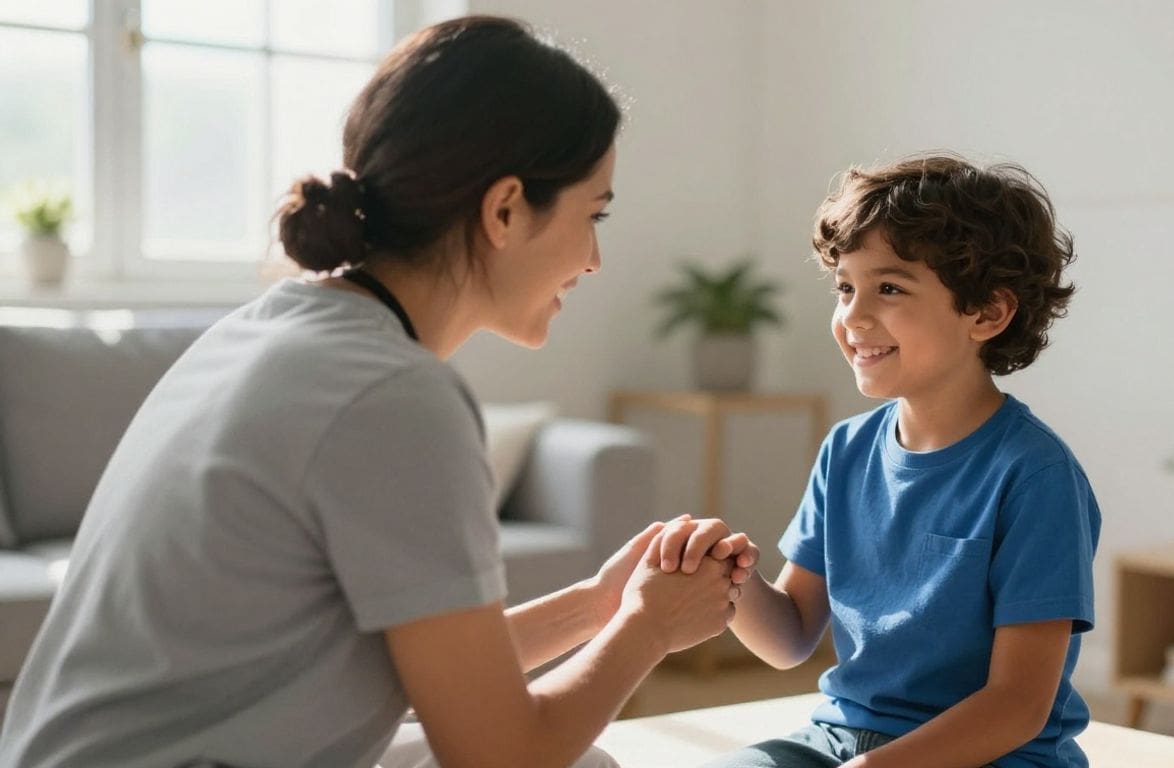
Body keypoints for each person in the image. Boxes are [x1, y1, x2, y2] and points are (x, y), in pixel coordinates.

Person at [0, 16, 757, 768]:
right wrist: (650, 629)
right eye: (592, 216)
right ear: (504, 209)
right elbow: (499, 756)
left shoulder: (272, 329)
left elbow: (398, 665)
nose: (593, 259)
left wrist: (600, 604)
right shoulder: (393, 396)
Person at [657, 154, 1101, 767]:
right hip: (840, 739)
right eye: (845, 287)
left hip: (993, 757)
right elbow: (788, 637)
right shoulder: (846, 449)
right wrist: (728, 575)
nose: (853, 318)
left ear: (987, 313)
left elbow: (1019, 705)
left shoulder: (1035, 476)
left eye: (888, 288)